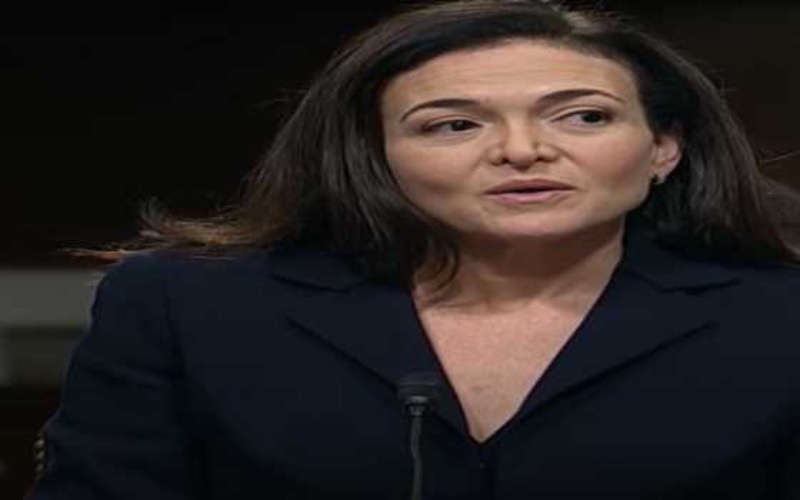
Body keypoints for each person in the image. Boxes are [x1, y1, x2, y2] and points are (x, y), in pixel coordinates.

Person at [27, 1, 800, 499]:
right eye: (453, 125)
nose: (522, 151)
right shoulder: (185, 304)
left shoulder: (778, 316)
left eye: (583, 117)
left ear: (664, 148)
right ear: (375, 155)